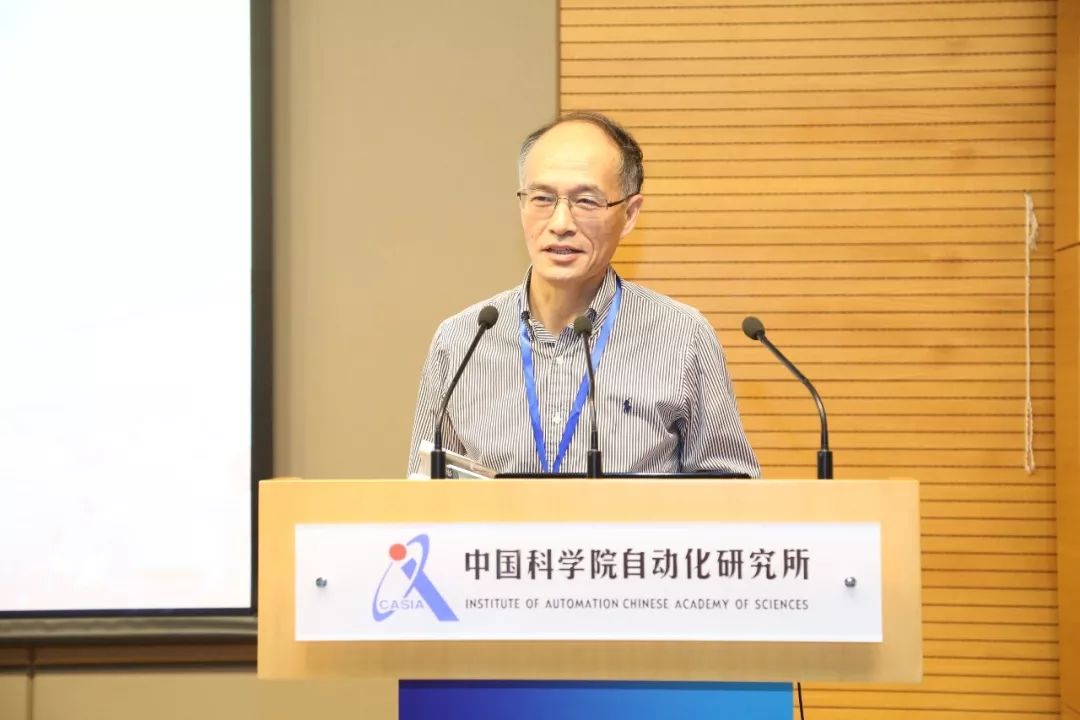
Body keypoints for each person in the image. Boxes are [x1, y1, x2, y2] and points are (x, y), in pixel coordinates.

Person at [407, 111, 758, 478]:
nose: (560, 224)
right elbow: (423, 494)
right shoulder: (462, 341)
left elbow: (733, 493)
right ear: (521, 204)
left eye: (587, 201)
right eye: (542, 198)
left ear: (629, 214)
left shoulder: (682, 336)